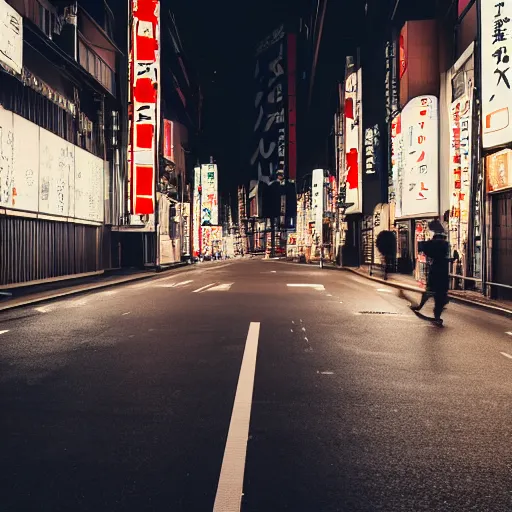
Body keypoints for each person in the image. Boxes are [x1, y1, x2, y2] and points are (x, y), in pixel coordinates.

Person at [411, 231, 450, 326]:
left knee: (428, 292)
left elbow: (424, 249)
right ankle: (437, 316)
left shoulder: (432, 249)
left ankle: (420, 306)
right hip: (443, 277)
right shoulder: (445, 247)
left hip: (435, 274)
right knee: (439, 298)